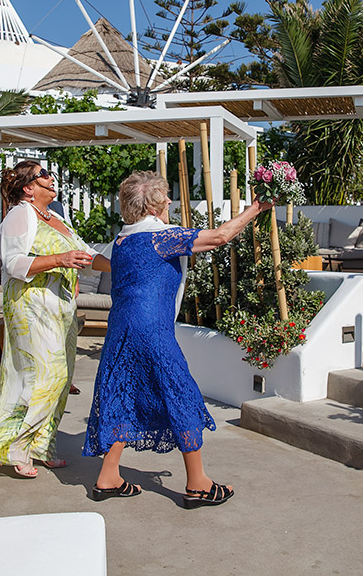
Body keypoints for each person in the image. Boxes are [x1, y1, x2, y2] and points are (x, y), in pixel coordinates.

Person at [83, 171, 272, 508]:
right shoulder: (162, 237)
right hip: (152, 328)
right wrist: (255, 208)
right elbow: (219, 237)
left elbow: (115, 267)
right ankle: (198, 483)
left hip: (121, 326)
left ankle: (108, 476)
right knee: (179, 392)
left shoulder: (123, 240)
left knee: (122, 392)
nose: (170, 201)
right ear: (154, 204)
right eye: (165, 197)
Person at [0, 160, 98, 477]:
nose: (51, 178)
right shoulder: (20, 213)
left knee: (60, 379)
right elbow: (13, 263)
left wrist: (132, 260)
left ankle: (43, 444)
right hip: (30, 305)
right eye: (43, 174)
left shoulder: (57, 217)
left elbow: (85, 254)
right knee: (46, 376)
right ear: (28, 187)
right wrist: (60, 259)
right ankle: (12, 446)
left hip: (60, 309)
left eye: (49, 173)